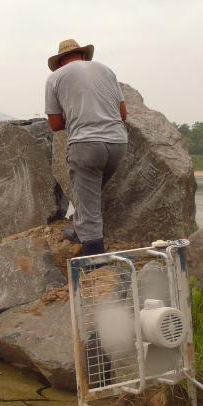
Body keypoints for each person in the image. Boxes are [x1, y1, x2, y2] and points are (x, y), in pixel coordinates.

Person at [45, 38, 129, 257]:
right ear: (82, 56)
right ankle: (82, 232)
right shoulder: (107, 70)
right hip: (118, 143)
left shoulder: (55, 77)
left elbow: (55, 125)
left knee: (87, 197)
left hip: (86, 144)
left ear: (61, 61)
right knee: (90, 195)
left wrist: (73, 116)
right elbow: (122, 114)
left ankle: (94, 257)